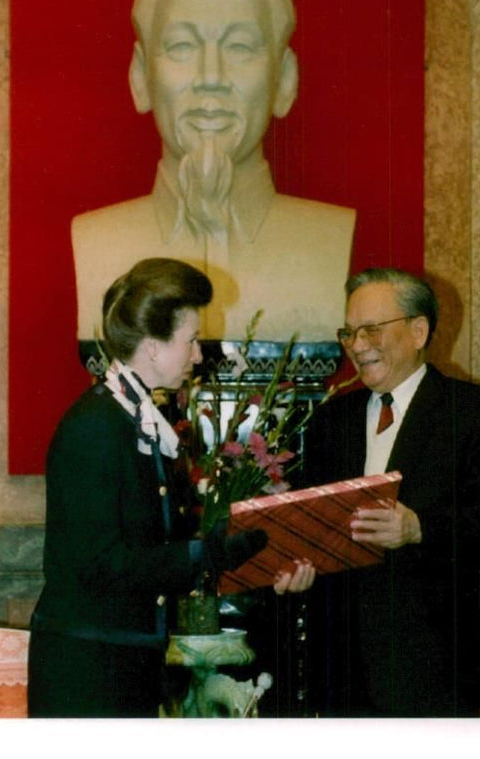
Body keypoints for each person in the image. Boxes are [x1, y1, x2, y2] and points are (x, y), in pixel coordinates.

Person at [28, 258, 314, 718]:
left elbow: (156, 547)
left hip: (125, 662)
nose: (199, 355)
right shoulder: (95, 427)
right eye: (192, 341)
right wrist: (206, 555)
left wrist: (257, 557)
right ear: (153, 347)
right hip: (87, 675)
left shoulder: (133, 419)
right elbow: (97, 564)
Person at [72, 0, 355, 345]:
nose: (210, 76)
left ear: (285, 82)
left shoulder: (327, 240)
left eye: (240, 47)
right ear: (140, 78)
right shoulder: (96, 241)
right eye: (182, 46)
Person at [304, 267, 480, 717]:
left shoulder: (473, 413)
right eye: (349, 332)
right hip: (341, 670)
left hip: (431, 668)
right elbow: (311, 522)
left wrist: (420, 528)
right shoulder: (330, 421)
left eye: (371, 330)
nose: (357, 346)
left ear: (418, 330)